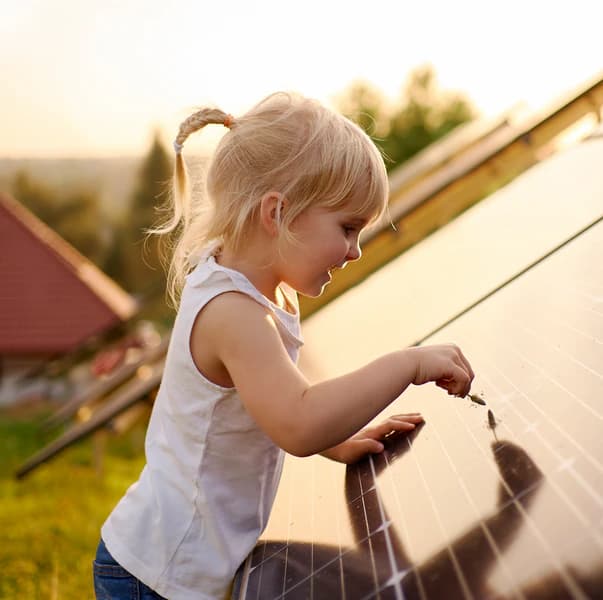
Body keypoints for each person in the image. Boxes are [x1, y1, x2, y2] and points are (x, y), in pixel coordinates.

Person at [93, 91, 474, 600]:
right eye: (347, 228)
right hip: (156, 574)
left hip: (172, 566)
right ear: (278, 213)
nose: (355, 251)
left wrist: (339, 440)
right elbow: (296, 421)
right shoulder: (233, 313)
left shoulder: (257, 288)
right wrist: (408, 364)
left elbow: (271, 400)